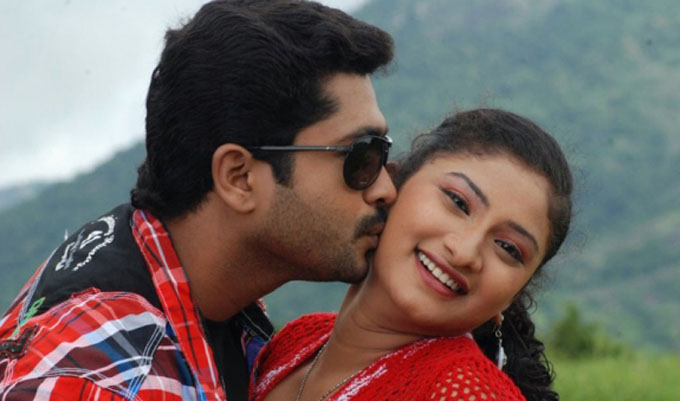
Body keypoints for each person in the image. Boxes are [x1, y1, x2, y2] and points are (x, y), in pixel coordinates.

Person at [0, 1, 396, 400]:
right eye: (361, 156)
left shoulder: (203, 300)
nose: (386, 189)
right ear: (239, 177)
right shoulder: (101, 382)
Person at [250, 108, 573, 401]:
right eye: (458, 202)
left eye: (508, 248)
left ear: (512, 297)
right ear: (391, 187)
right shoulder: (298, 341)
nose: (464, 252)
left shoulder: (465, 393)